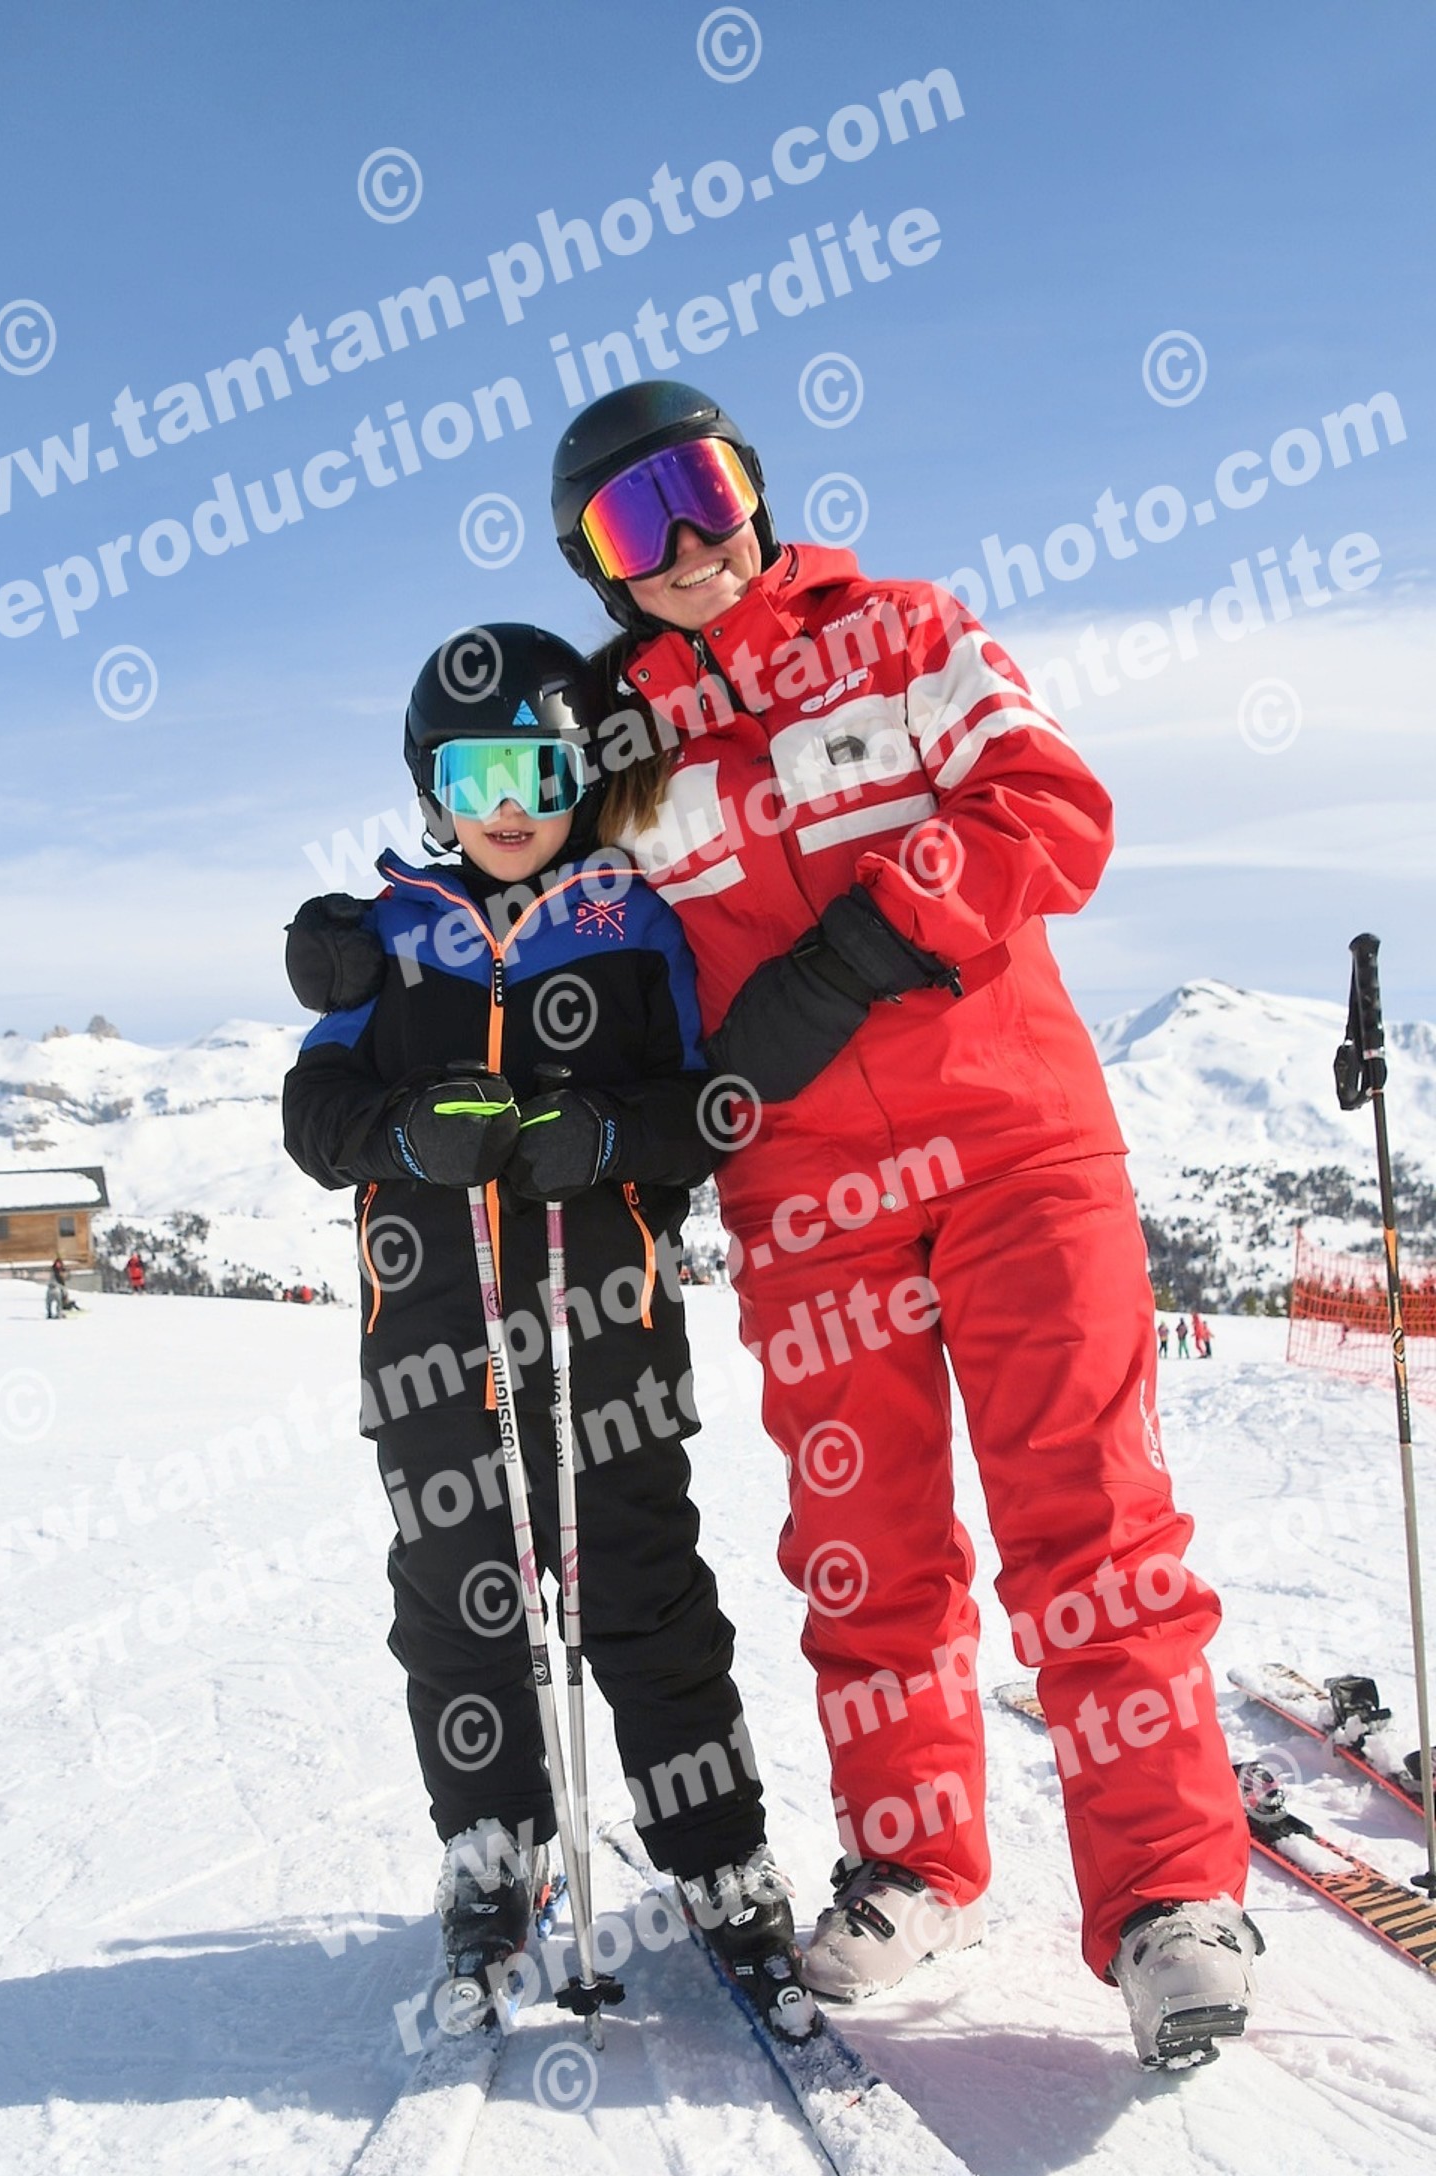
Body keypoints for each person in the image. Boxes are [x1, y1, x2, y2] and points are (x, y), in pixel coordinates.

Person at [547, 379, 1258, 2068]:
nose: (690, 542)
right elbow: (544, 918)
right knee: (864, 1548)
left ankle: (1170, 1898)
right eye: (636, 523)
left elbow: (1051, 805)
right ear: (598, 568)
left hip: (1016, 1143)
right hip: (806, 1198)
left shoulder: (905, 632)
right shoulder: (621, 754)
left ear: (754, 485)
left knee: (1090, 1524)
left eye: (704, 489)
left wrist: (860, 952)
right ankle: (915, 1863)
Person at [280, 624, 818, 2044]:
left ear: (586, 777)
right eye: (476, 776)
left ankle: (718, 1854)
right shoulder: (389, 938)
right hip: (431, 1337)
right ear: (431, 787)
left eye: (541, 770)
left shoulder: (637, 923)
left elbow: (706, 1110)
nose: (508, 804)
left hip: (608, 1332)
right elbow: (313, 1119)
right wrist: (404, 1132)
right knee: (459, 1595)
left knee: (641, 1592)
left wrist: (607, 1136)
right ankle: (493, 1849)